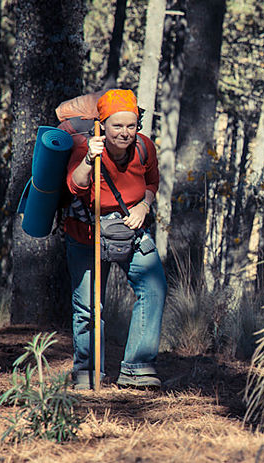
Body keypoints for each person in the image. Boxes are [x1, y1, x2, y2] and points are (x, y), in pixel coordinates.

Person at [64, 88, 167, 389]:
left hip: (131, 230)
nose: (124, 133)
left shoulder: (145, 148)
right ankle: (88, 371)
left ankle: (137, 367)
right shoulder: (87, 149)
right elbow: (75, 186)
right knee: (88, 306)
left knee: (154, 287)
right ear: (103, 124)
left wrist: (145, 205)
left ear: (138, 125)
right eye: (117, 125)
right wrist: (88, 160)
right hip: (86, 233)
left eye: (130, 126)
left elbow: (152, 182)